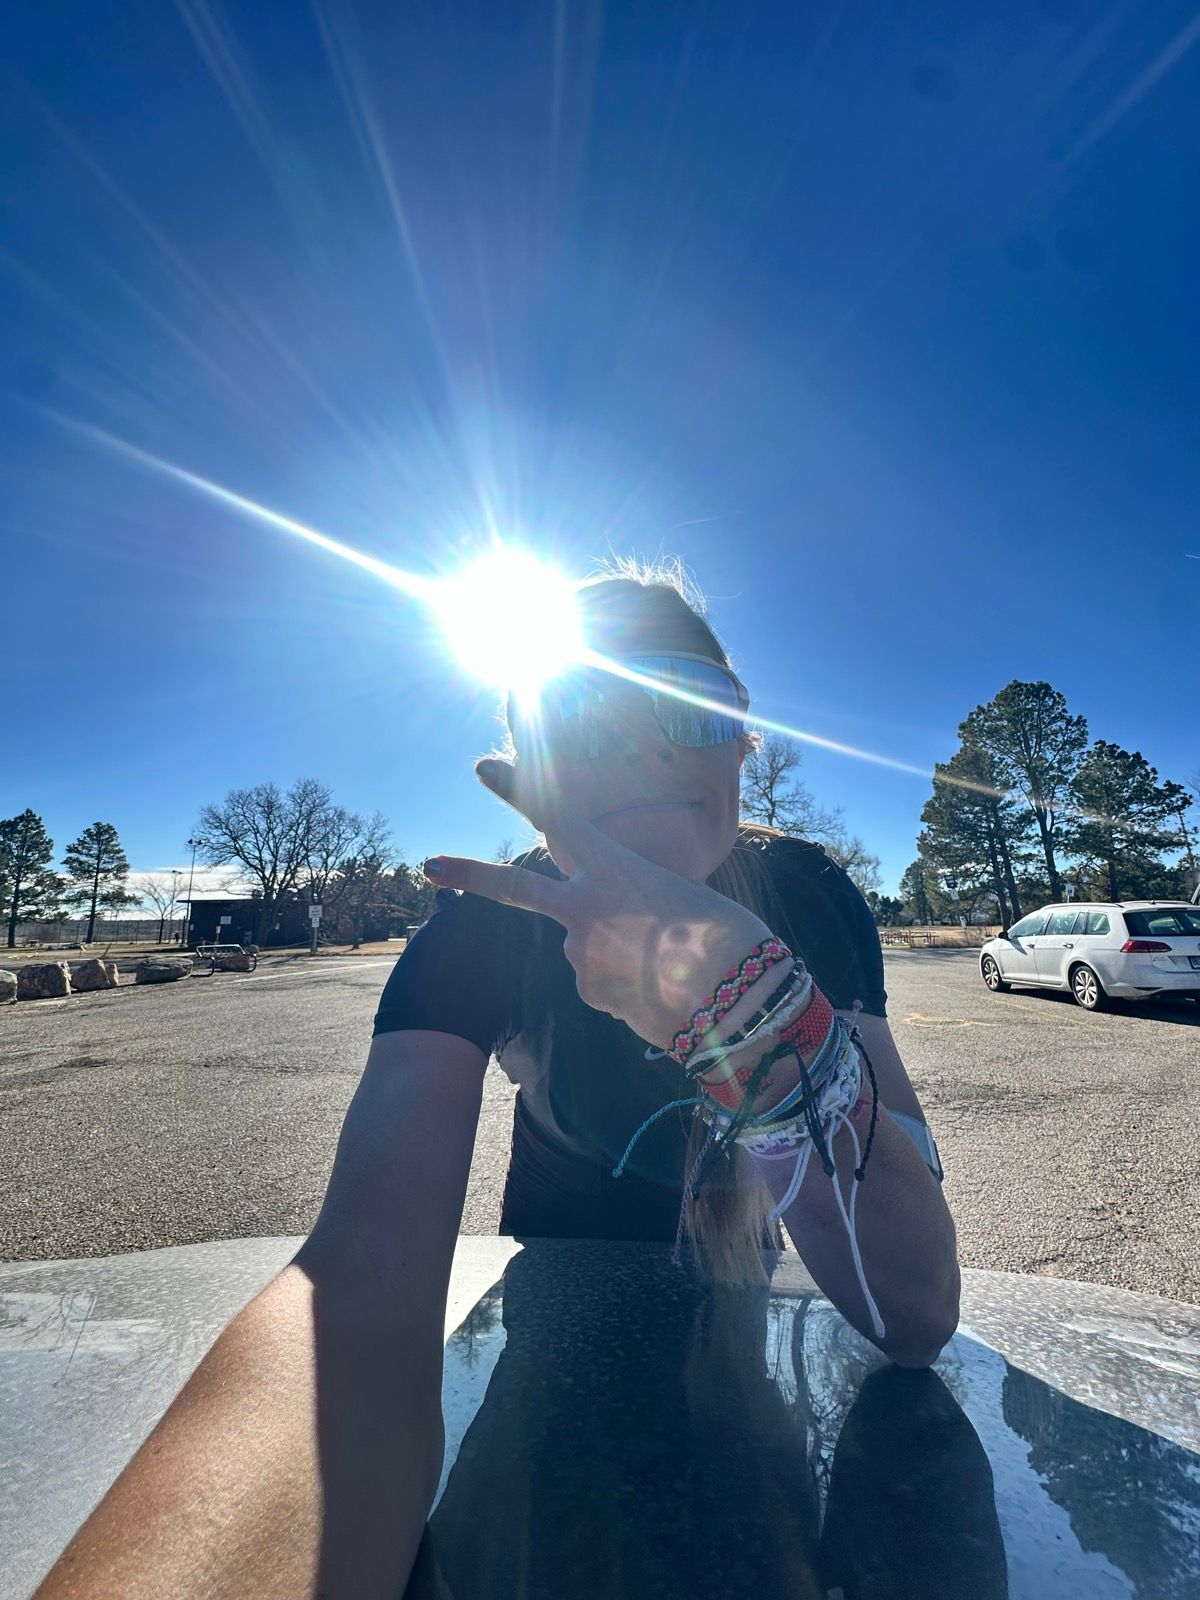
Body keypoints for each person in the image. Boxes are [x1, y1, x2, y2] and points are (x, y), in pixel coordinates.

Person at [33, 558, 959, 1600]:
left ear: (742, 745)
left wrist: (754, 1016)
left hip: (751, 1339)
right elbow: (357, 1283)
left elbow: (915, 1309)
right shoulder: (487, 927)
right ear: (536, 768)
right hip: (546, 1343)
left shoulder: (809, 896)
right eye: (585, 709)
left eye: (691, 707)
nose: (645, 742)